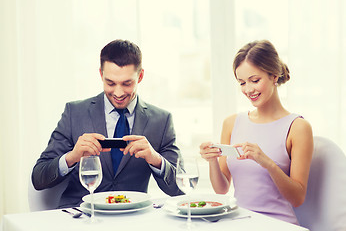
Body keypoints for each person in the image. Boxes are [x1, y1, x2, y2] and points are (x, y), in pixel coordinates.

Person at [32, 39, 183, 208]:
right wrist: (72, 157)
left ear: (140, 76)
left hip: (132, 218)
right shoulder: (74, 113)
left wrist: (155, 159)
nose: (118, 93)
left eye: (127, 83)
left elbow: (180, 189)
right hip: (80, 217)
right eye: (110, 83)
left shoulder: (161, 121)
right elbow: (38, 178)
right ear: (100, 75)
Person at [199, 40, 313, 225]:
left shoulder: (298, 127)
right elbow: (221, 189)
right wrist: (212, 160)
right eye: (242, 83)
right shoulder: (231, 123)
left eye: (255, 80)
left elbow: (297, 198)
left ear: (274, 76)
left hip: (277, 224)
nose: (248, 89)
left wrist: (266, 162)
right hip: (238, 222)